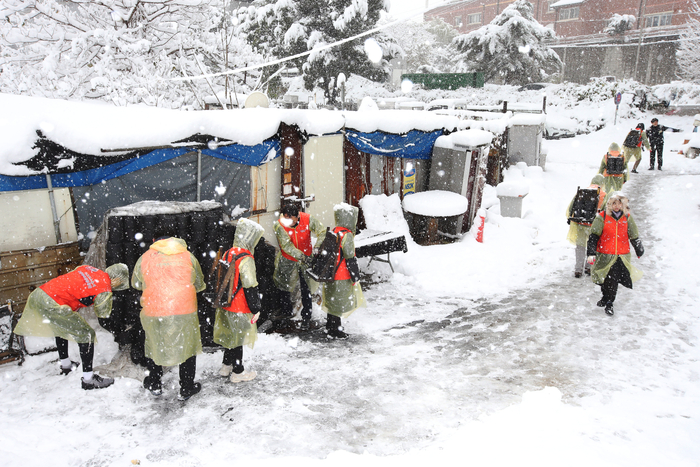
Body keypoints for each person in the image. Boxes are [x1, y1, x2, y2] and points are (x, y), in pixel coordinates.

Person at [13, 263, 129, 390]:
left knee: (61, 328)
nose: (118, 286)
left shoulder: (90, 269)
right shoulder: (104, 289)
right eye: (120, 283)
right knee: (87, 334)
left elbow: (74, 283)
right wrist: (121, 330)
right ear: (117, 279)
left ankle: (66, 365)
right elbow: (104, 320)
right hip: (53, 303)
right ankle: (88, 380)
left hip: (41, 294)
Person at [131, 232, 206, 400]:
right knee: (187, 347)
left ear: (153, 241)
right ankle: (186, 387)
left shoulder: (145, 257)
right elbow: (199, 283)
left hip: (154, 310)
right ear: (174, 240)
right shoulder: (187, 256)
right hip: (183, 310)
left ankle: (154, 383)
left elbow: (136, 283)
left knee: (154, 345)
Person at [213, 218, 264, 383]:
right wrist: (256, 307)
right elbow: (250, 284)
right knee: (239, 339)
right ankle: (238, 371)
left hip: (226, 302)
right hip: (239, 305)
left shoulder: (229, 252)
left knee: (230, 336)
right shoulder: (246, 258)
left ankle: (226, 365)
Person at [586, 192, 644, 316]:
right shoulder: (602, 217)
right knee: (604, 279)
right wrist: (591, 253)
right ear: (609, 204)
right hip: (604, 254)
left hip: (621, 255)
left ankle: (609, 303)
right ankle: (605, 296)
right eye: (614, 203)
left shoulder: (627, 218)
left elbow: (633, 234)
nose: (616, 206)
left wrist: (638, 247)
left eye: (619, 203)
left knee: (613, 280)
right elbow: (594, 236)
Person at [273, 202, 326, 331]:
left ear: (297, 217)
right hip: (288, 259)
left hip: (306, 259)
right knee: (284, 286)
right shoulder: (279, 225)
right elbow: (287, 246)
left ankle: (306, 317)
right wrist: (301, 256)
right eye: (285, 218)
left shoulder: (307, 219)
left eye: (290, 219)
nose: (287, 221)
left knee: (306, 287)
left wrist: (318, 246)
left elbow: (322, 231)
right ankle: (286, 313)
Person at [322, 203, 366, 338]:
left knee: (332, 300)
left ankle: (330, 326)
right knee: (339, 302)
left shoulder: (335, 231)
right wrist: (355, 277)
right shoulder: (347, 235)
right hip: (342, 273)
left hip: (330, 272)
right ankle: (336, 330)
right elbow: (350, 258)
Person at [566, 174, 607, 278]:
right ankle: (589, 267)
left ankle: (578, 269)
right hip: (594, 224)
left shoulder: (582, 191)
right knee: (592, 246)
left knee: (580, 246)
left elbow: (572, 206)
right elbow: (605, 211)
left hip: (581, 222)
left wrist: (570, 217)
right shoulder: (603, 194)